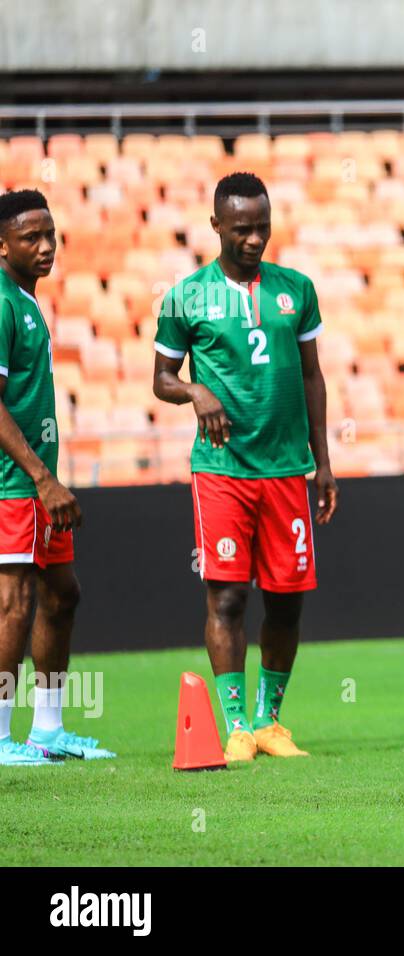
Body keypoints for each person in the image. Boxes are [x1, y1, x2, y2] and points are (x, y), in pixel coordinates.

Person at [152, 173, 337, 762]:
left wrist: (323, 463)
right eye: (242, 229)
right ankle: (234, 726)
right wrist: (194, 394)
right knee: (227, 600)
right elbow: (161, 380)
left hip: (287, 470)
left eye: (262, 226)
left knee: (287, 600)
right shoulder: (185, 296)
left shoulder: (296, 289)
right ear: (216, 227)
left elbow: (312, 375)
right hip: (223, 469)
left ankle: (269, 723)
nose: (255, 238)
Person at [0, 189, 113, 765]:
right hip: (12, 482)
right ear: (2, 244)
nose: (45, 247)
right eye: (30, 237)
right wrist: (42, 478)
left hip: (37, 480)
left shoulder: (25, 299)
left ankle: (47, 730)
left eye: (50, 235)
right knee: (14, 601)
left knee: (60, 594)